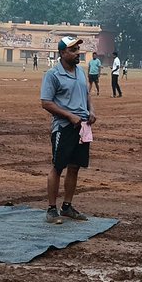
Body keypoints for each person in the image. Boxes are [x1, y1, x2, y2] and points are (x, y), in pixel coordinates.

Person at [40, 36, 96, 225]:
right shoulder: (53, 75)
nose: (77, 53)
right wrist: (69, 116)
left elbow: (87, 95)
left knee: (74, 167)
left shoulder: (80, 72)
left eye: (77, 49)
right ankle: (51, 209)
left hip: (82, 127)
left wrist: (91, 111)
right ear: (62, 53)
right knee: (58, 167)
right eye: (73, 50)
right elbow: (46, 102)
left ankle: (67, 206)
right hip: (64, 127)